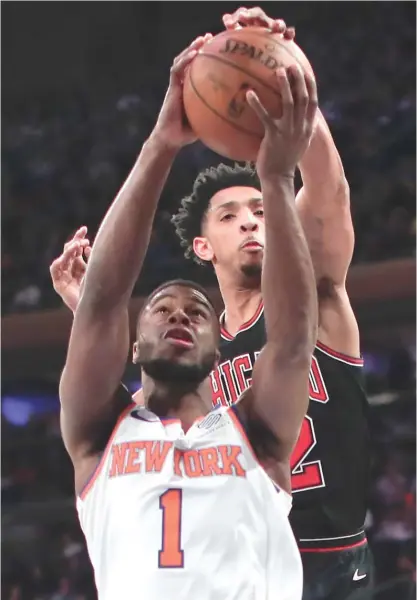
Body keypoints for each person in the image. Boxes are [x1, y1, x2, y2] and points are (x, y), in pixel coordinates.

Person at [50, 9, 372, 600]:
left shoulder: (306, 306)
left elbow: (325, 194)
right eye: (230, 214)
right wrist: (93, 322)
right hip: (239, 535)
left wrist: (288, 85)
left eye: (260, 209)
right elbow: (127, 397)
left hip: (324, 558)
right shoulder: (200, 375)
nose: (252, 221)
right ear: (202, 245)